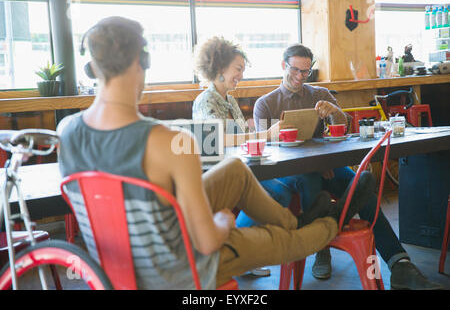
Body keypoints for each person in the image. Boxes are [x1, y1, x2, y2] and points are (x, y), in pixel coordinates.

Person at [57, 17, 370, 289]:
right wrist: (223, 221)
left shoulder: (67, 131)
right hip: (180, 270)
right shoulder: (168, 142)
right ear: (142, 64)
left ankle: (297, 220)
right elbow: (207, 240)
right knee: (283, 241)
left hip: (114, 267)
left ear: (92, 67)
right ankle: (325, 222)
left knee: (235, 172)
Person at [253, 43, 443, 290]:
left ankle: (400, 265)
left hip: (328, 168)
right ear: (283, 66)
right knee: (327, 183)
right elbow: (265, 150)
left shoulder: (318, 94)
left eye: (306, 71)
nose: (300, 76)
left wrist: (334, 112)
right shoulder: (265, 104)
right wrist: (314, 164)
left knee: (363, 185)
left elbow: (344, 129)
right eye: (296, 70)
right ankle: (323, 248)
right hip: (294, 174)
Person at [192, 36, 292, 277]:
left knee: (284, 190)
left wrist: (266, 136)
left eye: (243, 70)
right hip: (215, 174)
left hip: (239, 168)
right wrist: (266, 134)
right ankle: (236, 252)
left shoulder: (230, 100)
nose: (241, 75)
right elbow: (216, 139)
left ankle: (240, 253)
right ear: (220, 69)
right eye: (238, 69)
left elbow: (244, 135)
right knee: (277, 192)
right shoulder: (205, 101)